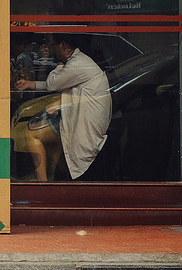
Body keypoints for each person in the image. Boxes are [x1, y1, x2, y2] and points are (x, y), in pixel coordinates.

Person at [15, 33, 112, 181]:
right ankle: (46, 173)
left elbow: (53, 83)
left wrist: (61, 63)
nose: (49, 47)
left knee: (31, 134)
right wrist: (31, 84)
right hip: (79, 119)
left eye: (52, 44)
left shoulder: (77, 64)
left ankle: (42, 183)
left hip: (84, 126)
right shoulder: (79, 61)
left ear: (64, 45)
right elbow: (60, 83)